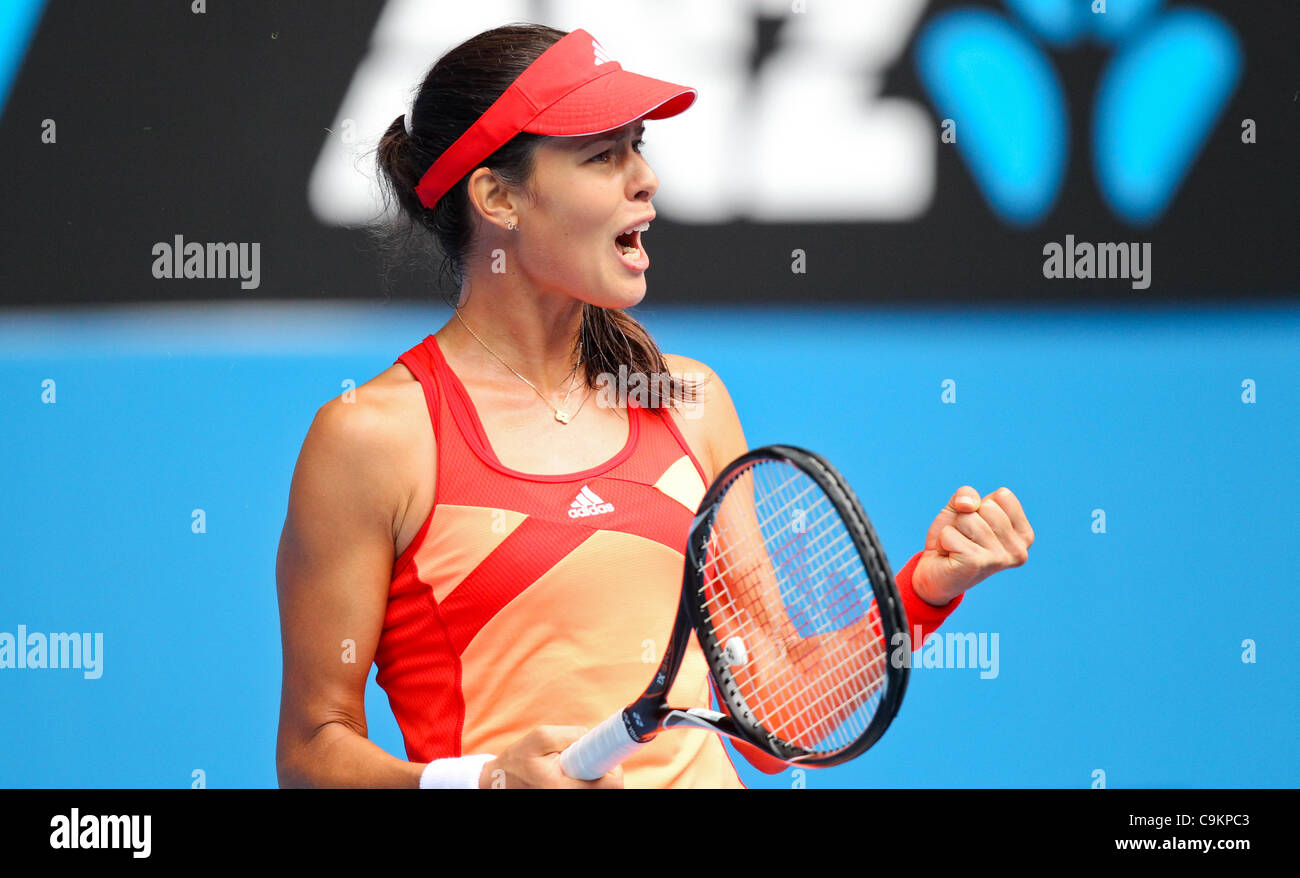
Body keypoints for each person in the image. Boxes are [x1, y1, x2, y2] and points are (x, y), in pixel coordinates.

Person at [275, 23, 1034, 789]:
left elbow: (775, 720)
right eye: (603, 156)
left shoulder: (687, 402)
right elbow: (310, 755)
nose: (646, 178)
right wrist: (479, 783)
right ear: (497, 195)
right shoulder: (372, 439)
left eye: (638, 146)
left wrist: (926, 590)